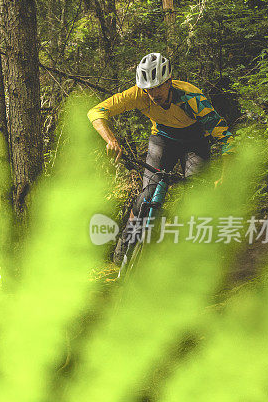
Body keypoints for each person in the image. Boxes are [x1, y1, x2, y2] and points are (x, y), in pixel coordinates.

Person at [87, 52, 234, 262]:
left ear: (169, 82)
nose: (152, 93)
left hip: (195, 142)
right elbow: (96, 111)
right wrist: (111, 140)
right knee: (147, 194)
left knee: (197, 195)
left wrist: (224, 176)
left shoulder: (192, 98)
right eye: (148, 89)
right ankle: (125, 246)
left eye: (157, 87)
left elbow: (226, 138)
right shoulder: (138, 94)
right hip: (163, 138)